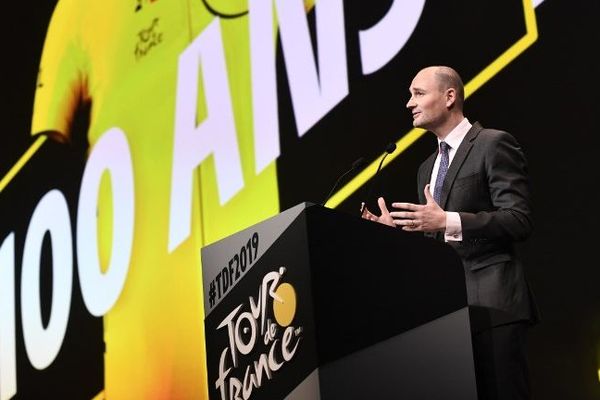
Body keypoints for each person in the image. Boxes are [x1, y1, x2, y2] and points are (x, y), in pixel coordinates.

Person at [362, 65, 539, 400]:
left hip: (494, 304)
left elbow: (518, 219)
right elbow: (436, 242)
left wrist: (448, 221)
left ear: (449, 96)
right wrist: (395, 234)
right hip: (448, 317)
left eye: (418, 93)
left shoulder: (492, 144)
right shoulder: (426, 168)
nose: (408, 103)